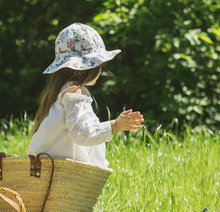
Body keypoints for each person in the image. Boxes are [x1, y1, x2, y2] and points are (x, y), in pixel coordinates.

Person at [28, 22, 144, 168]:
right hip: (65, 177)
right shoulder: (75, 93)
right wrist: (116, 125)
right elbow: (83, 134)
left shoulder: (58, 93)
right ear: (90, 66)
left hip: (45, 172)